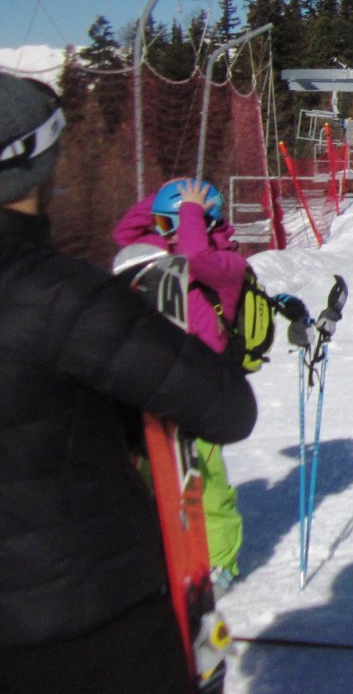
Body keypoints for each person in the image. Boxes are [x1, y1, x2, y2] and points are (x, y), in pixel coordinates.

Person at [0, 72, 256, 693]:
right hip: (88, 610)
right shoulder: (64, 297)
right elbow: (227, 408)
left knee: (213, 490)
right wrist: (176, 204)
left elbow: (194, 259)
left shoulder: (222, 261)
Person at [115, 175, 250, 587]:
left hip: (202, 385)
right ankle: (161, 551)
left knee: (204, 483)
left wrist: (188, 210)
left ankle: (220, 562)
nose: (164, 235)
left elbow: (194, 255)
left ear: (202, 222)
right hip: (156, 381)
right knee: (152, 473)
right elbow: (124, 238)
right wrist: (161, 199)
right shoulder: (159, 255)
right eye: (160, 226)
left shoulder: (227, 264)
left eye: (169, 226)